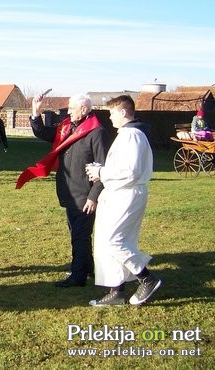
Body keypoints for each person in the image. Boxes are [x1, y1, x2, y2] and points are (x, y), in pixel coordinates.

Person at [17, 93, 110, 288]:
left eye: (71, 108)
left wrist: (93, 197)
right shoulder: (68, 127)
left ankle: (78, 277)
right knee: (77, 233)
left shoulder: (96, 132)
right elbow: (42, 133)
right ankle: (87, 267)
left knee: (80, 234)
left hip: (84, 194)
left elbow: (103, 168)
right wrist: (36, 110)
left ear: (84, 109)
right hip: (69, 191)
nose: (68, 112)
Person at [86, 95, 162, 306]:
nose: (109, 117)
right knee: (106, 242)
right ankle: (116, 291)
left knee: (115, 241)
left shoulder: (132, 136)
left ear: (122, 112)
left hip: (126, 194)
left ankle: (146, 278)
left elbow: (130, 171)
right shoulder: (126, 135)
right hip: (117, 193)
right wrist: (100, 173)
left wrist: (100, 171)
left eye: (111, 113)